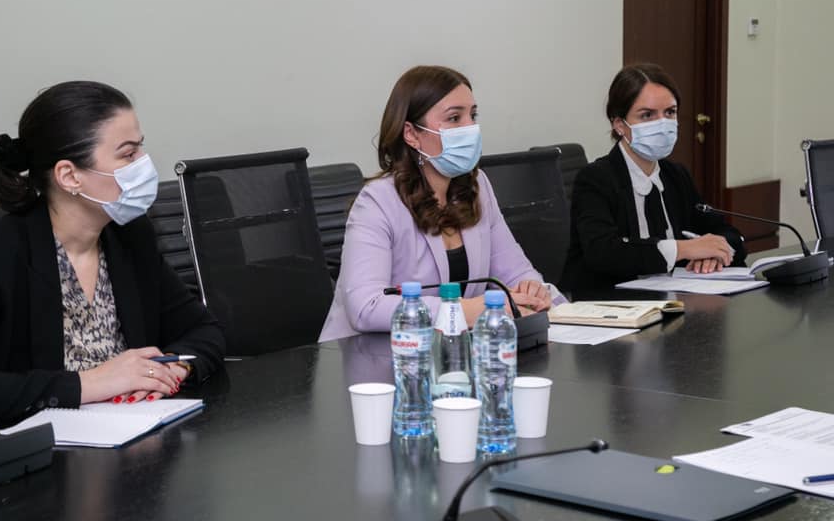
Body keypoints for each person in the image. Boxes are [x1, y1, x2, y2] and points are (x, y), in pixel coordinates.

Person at [0, 81, 225, 425]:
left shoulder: (129, 236)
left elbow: (204, 330)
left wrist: (173, 368)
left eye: (140, 149)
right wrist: (89, 384)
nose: (144, 164)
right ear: (69, 176)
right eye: (128, 154)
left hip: (138, 437)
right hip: (45, 449)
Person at [319, 65, 560, 343]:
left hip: (450, 351)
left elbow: (516, 272)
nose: (470, 128)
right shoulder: (377, 201)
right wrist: (470, 310)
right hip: (370, 356)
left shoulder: (477, 186)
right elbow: (365, 307)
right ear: (411, 133)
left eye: (473, 115)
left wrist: (535, 293)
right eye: (454, 118)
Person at [560, 63, 746, 294]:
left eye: (670, 112)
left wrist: (714, 253)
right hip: (611, 303)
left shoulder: (675, 175)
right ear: (619, 125)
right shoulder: (595, 179)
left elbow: (725, 232)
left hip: (675, 299)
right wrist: (684, 249)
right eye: (647, 115)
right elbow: (603, 252)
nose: (662, 123)